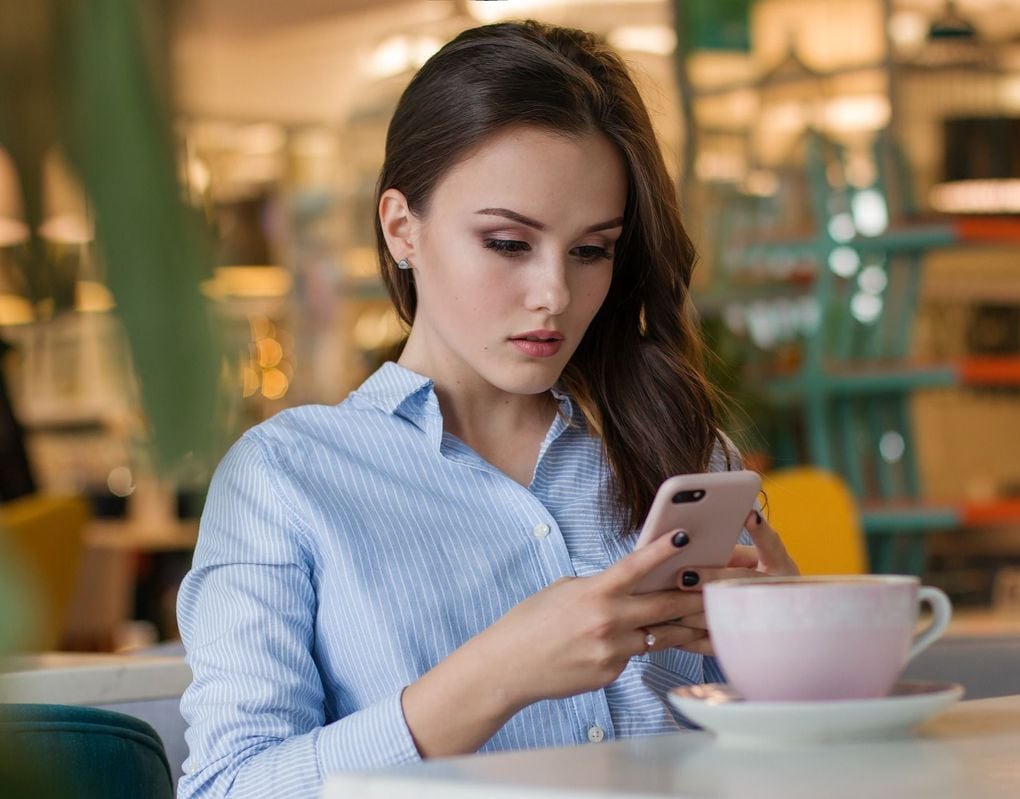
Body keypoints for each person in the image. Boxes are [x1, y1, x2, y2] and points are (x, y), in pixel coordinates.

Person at [177, 20, 799, 799]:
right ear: (402, 227)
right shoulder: (286, 478)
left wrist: (792, 654)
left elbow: (780, 762)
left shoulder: (677, 451)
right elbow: (225, 787)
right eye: (508, 242)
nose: (555, 295)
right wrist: (496, 675)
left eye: (590, 249)